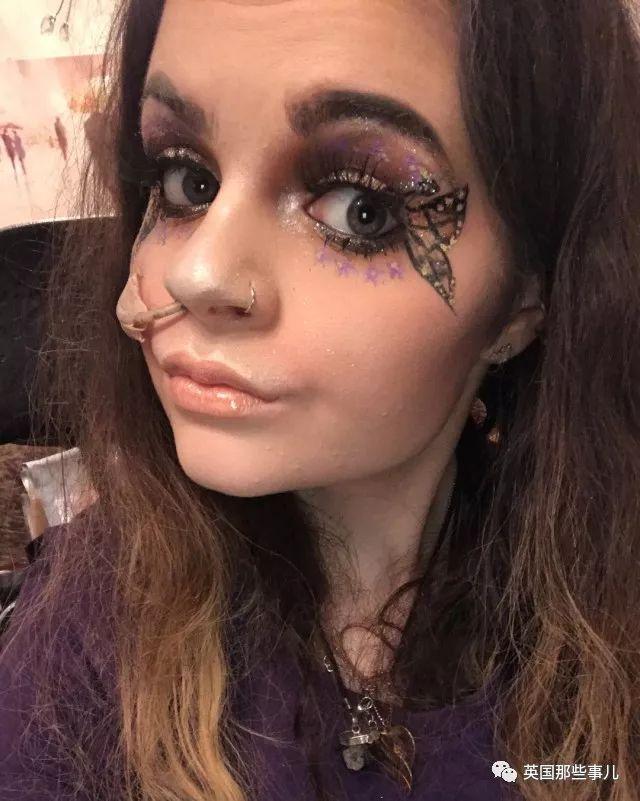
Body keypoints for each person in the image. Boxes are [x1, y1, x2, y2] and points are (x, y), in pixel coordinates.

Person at [1, 1, 639, 800]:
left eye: (359, 208)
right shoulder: (91, 622)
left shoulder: (608, 626)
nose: (197, 272)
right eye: (185, 180)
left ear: (523, 299)